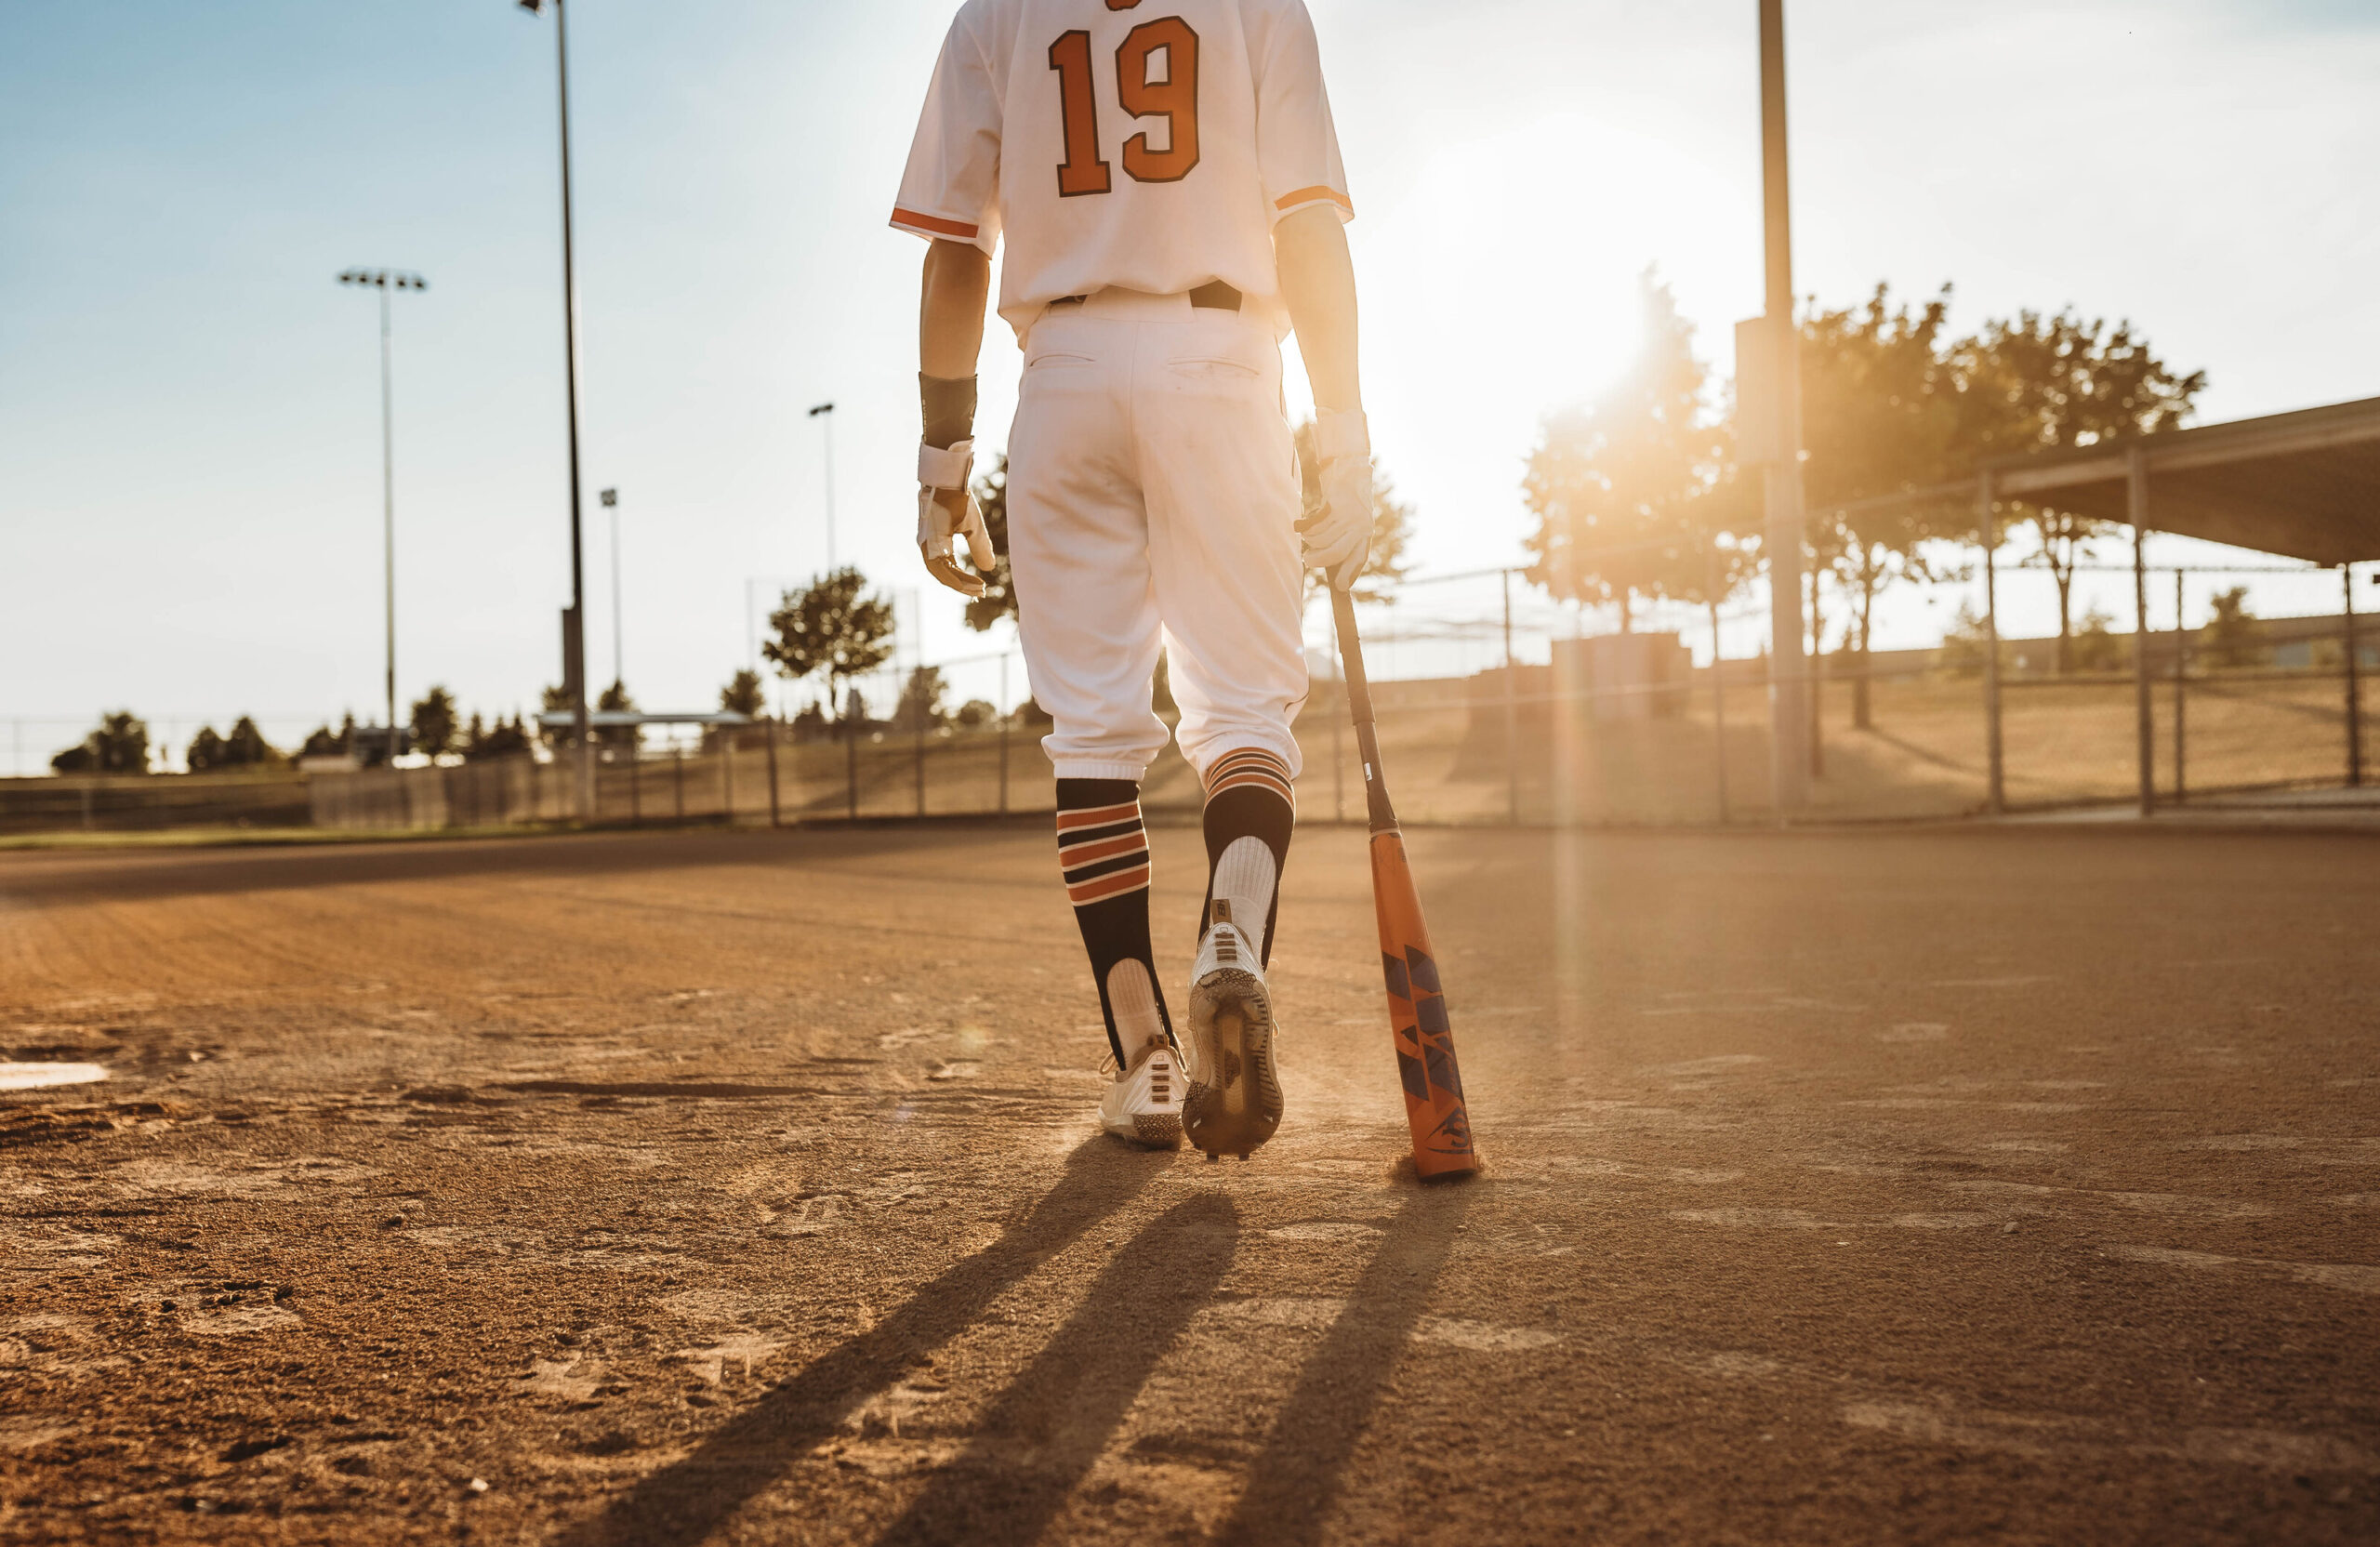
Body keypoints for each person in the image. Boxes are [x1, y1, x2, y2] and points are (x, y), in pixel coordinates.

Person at [892, 0, 1371, 1159]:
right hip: (1218, 355)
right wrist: (1345, 428)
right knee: (1247, 711)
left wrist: (941, 459)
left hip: (1061, 372)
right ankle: (1233, 935)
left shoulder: (994, 14)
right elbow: (1306, 226)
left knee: (1096, 734)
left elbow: (960, 249)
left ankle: (1148, 1056)